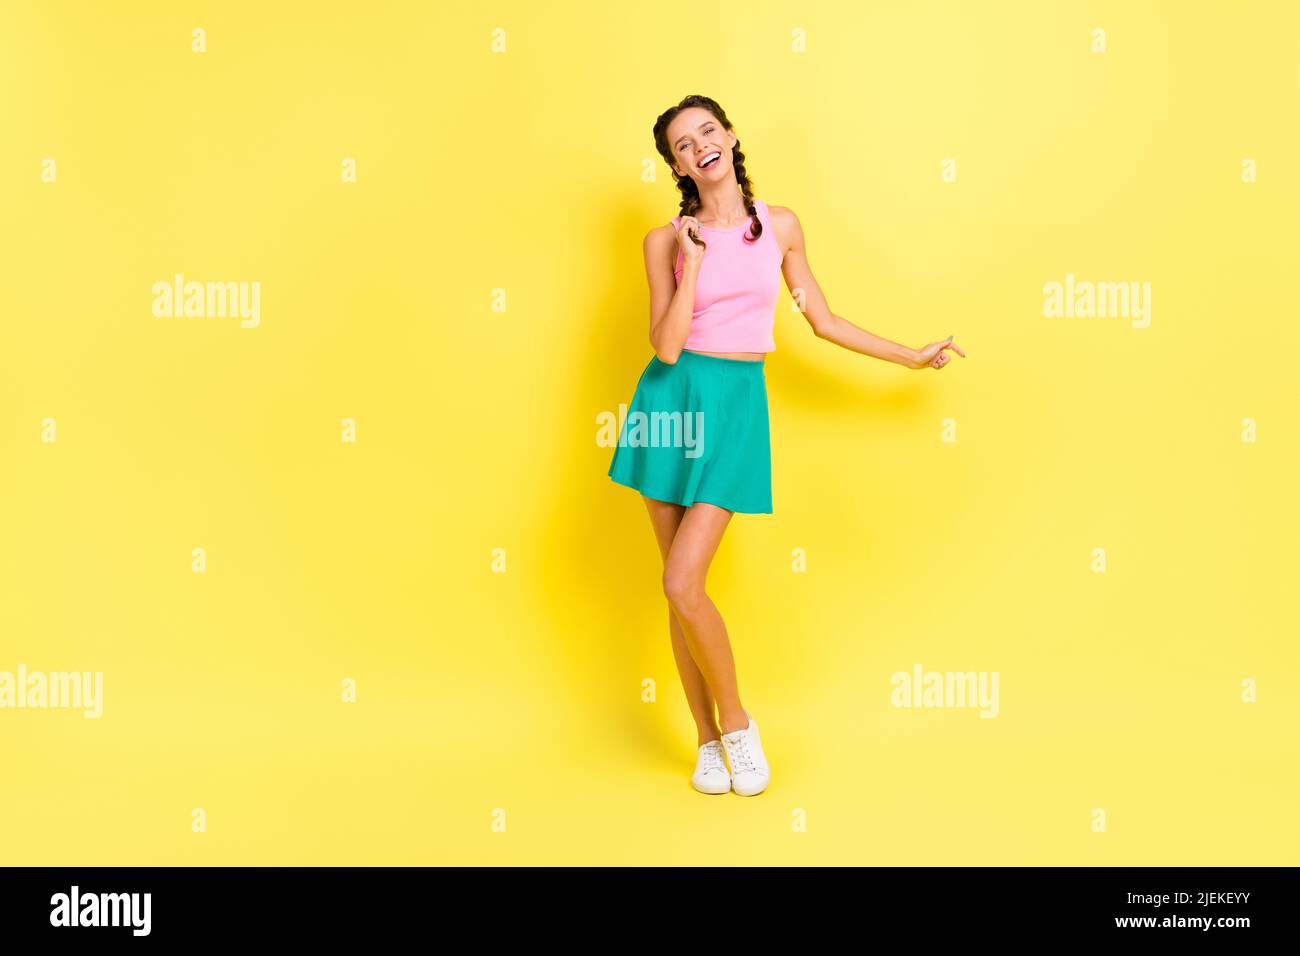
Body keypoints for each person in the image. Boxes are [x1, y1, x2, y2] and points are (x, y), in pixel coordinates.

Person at [608, 94, 965, 796]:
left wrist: (910, 358)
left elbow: (821, 320)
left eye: (707, 130)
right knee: (678, 591)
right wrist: (694, 263)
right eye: (682, 144)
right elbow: (669, 344)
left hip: (736, 406)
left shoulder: (781, 227)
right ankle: (708, 742)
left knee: (684, 581)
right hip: (667, 405)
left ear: (730, 137)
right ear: (674, 164)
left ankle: (738, 724)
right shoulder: (664, 240)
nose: (698, 146)